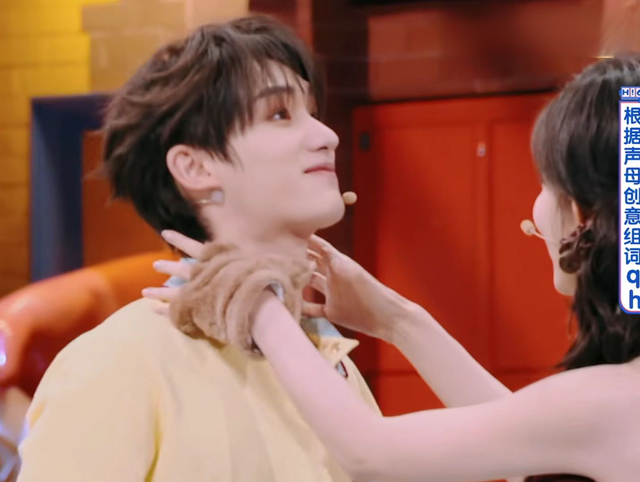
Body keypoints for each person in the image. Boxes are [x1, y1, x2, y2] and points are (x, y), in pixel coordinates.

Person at [148, 55, 640, 482]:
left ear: (583, 214)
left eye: (546, 184)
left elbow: (369, 452)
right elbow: (531, 435)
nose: (326, 136)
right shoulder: (606, 403)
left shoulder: (606, 402)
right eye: (280, 114)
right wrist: (399, 320)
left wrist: (255, 303)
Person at [17, 15, 380, 482]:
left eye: (313, 113)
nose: (327, 136)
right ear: (194, 167)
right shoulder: (122, 360)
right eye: (280, 114)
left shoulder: (328, 358)